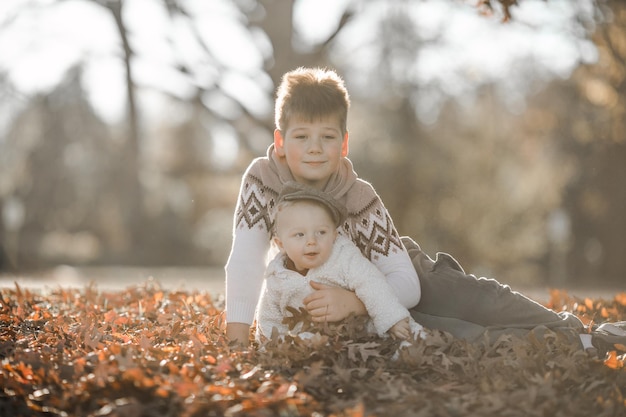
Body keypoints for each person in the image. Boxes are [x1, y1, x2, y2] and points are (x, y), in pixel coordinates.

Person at [225, 66, 622, 354]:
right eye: (302, 136)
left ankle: (570, 327)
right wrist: (237, 342)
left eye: (326, 137)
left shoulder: (358, 194)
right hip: (356, 301)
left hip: (402, 274)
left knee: (483, 301)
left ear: (344, 144)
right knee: (458, 336)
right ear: (280, 141)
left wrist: (357, 301)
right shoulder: (263, 181)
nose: (314, 147)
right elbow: (245, 260)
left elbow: (404, 282)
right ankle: (586, 341)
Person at [256, 182, 424, 342]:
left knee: (405, 331)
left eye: (321, 232)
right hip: (311, 340)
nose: (311, 241)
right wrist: (274, 347)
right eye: (299, 235)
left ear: (334, 236)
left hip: (360, 329)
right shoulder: (276, 277)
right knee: (305, 342)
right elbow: (269, 318)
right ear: (281, 244)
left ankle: (413, 341)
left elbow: (372, 283)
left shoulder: (343, 256)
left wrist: (392, 318)